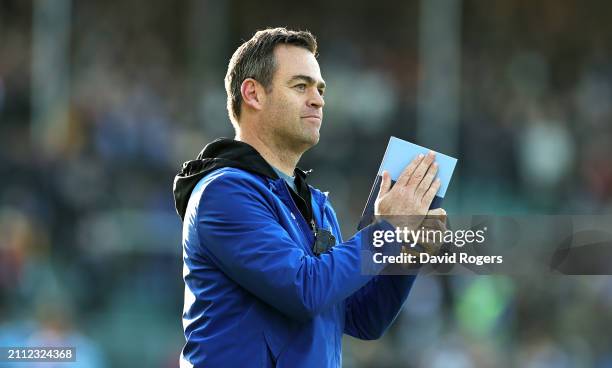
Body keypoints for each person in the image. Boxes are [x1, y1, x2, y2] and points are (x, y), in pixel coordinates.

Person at [172, 27, 446, 368]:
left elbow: (363, 318)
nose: (318, 99)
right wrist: (388, 229)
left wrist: (407, 249)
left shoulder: (317, 205)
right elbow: (304, 289)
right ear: (253, 94)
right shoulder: (223, 193)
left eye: (320, 89)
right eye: (300, 86)